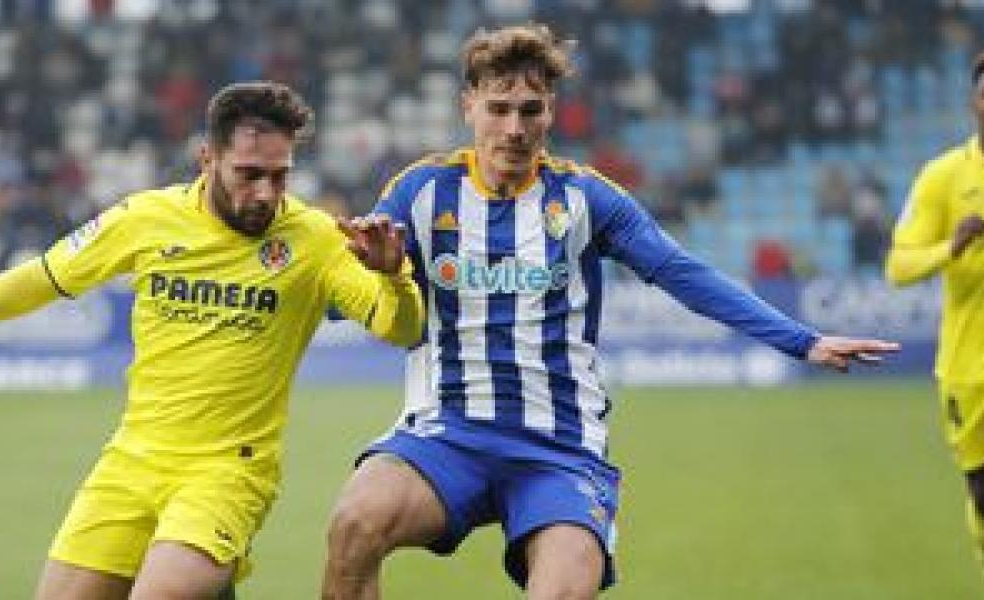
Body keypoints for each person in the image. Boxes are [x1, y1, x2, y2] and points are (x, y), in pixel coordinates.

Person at [322, 23, 899, 600]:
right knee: (354, 525)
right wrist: (377, 269)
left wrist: (802, 340)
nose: (515, 128)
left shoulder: (585, 198)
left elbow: (684, 274)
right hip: (447, 434)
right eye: (499, 108)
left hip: (560, 448)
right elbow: (341, 291)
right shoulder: (421, 191)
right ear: (468, 104)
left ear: (552, 111)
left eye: (532, 109)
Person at [0, 81, 423, 600]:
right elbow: (44, 277)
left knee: (164, 592)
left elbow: (397, 328)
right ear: (206, 159)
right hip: (132, 460)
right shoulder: (146, 219)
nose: (266, 193)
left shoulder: (314, 239)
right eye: (249, 173)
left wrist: (392, 277)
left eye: (279, 176)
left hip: (229, 467)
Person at [885, 44, 984, 600]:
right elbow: (899, 265)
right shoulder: (943, 177)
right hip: (966, 364)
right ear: (974, 104)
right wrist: (951, 246)